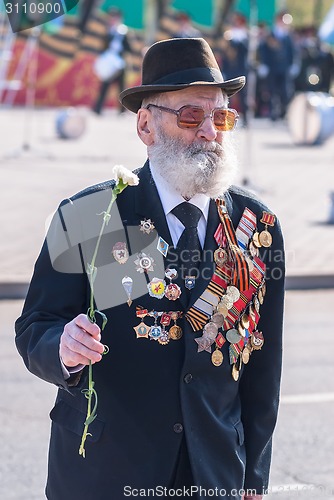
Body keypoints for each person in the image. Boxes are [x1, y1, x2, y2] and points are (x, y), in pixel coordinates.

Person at [15, 38, 285, 500]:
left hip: (212, 474)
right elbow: (36, 325)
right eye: (190, 116)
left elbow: (263, 372)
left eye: (220, 116)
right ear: (146, 125)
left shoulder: (256, 227)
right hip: (106, 472)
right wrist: (62, 346)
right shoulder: (92, 216)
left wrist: (253, 479)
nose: (209, 132)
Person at [92, 7, 131, 115]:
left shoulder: (123, 31)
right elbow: (103, 47)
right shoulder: (108, 31)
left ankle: (122, 110)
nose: (112, 19)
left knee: (121, 88)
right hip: (110, 63)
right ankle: (97, 109)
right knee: (104, 86)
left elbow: (129, 48)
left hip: (120, 64)